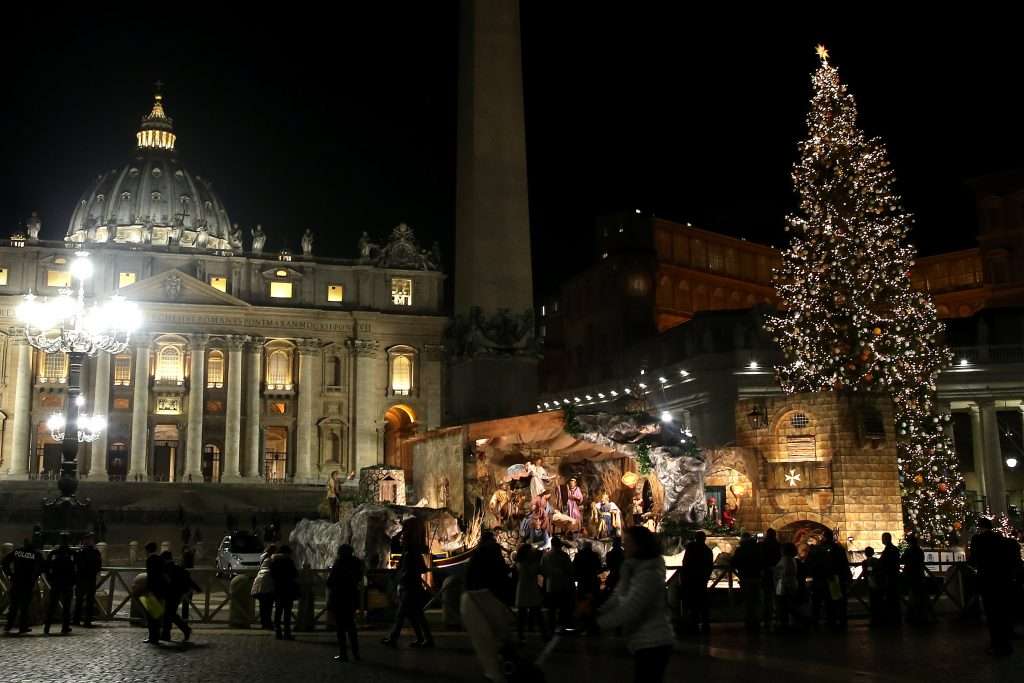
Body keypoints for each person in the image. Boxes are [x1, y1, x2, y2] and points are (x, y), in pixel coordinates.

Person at [593, 526, 675, 683]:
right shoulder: (631, 568)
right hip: (641, 641)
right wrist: (599, 611)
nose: (625, 546)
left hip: (655, 640)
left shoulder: (649, 573)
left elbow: (631, 608)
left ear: (640, 545)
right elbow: (618, 596)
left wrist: (598, 623)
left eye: (628, 542)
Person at [969, 517, 1020, 656]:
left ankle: (997, 644)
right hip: (1003, 581)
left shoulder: (978, 540)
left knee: (992, 614)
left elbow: (973, 560)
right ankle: (1006, 642)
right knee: (1003, 611)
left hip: (987, 581)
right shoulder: (1004, 540)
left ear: (980, 527)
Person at [382, 532, 434, 648]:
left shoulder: (409, 554)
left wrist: (404, 575)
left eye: (402, 539)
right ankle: (424, 639)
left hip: (409, 588)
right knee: (415, 615)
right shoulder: (411, 554)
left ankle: (393, 638)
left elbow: (413, 570)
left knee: (402, 615)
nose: (400, 540)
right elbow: (423, 569)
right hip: (411, 587)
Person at [327, 544, 364, 662]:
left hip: (339, 597)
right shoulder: (356, 563)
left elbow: (331, 581)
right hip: (351, 596)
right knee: (351, 626)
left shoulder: (339, 563)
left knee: (340, 628)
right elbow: (359, 577)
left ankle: (343, 653)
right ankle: (356, 653)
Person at [3, 538, 43, 635]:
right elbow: (42, 566)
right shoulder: (35, 554)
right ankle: (23, 627)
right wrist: (35, 576)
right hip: (28, 583)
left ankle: (9, 625)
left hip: (16, 581)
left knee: (14, 605)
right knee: (25, 606)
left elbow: (5, 562)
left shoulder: (17, 552)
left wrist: (10, 574)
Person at [160, 551, 197, 642]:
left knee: (170, 614)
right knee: (169, 614)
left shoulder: (167, 568)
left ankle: (184, 629)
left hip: (171, 594)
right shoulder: (177, 567)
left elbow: (167, 581)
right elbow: (187, 579)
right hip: (177, 594)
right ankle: (166, 634)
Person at [681, 531, 714, 634]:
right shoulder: (707, 551)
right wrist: (706, 577)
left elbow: (685, 563)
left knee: (693, 604)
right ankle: (705, 625)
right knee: (703, 604)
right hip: (702, 580)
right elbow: (710, 566)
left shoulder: (691, 549)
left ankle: (693, 625)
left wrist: (685, 577)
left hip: (692, 580)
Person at [44, 534, 77, 636]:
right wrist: (74, 581)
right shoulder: (72, 553)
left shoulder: (54, 553)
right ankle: (65, 627)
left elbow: (46, 568)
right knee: (66, 606)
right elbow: (77, 569)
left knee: (52, 605)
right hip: (67, 583)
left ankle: (47, 627)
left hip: (56, 583)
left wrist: (50, 579)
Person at [514, 544, 548, 641]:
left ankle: (522, 635)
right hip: (527, 589)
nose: (532, 551)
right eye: (531, 550)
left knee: (529, 613)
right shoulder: (523, 563)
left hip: (527, 590)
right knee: (529, 613)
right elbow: (533, 571)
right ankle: (522, 635)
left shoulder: (522, 562)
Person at [540, 536, 575, 633]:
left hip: (550, 585)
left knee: (551, 608)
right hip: (563, 585)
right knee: (563, 608)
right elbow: (570, 570)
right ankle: (562, 626)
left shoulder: (546, 556)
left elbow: (542, 570)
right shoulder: (564, 556)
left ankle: (551, 627)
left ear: (551, 544)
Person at [465, 531, 511, 602]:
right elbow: (500, 562)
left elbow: (471, 568)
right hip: (494, 579)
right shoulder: (494, 547)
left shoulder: (478, 550)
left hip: (481, 581)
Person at [731, 532, 761, 632]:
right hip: (757, 577)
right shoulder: (757, 549)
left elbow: (734, 562)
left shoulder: (741, 550)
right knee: (756, 600)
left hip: (745, 577)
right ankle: (756, 620)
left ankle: (749, 621)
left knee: (748, 600)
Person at [270, 545, 299, 640]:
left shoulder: (274, 560)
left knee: (278, 611)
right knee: (287, 612)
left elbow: (272, 574)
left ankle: (278, 632)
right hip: (288, 588)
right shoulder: (288, 561)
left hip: (278, 588)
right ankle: (287, 633)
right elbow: (295, 574)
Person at [901, 534, 932, 625]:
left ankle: (913, 615)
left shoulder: (908, 551)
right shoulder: (919, 551)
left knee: (913, 595)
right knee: (921, 596)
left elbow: (902, 559)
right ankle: (922, 615)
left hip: (911, 575)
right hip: (919, 574)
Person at [74, 533, 102, 628]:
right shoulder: (95, 552)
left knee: (81, 600)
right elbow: (98, 565)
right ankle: (87, 621)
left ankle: (77, 620)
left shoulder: (81, 551)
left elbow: (77, 564)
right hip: (89, 578)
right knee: (87, 600)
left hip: (82, 578)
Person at [143, 541, 168, 643]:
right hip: (160, 590)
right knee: (157, 614)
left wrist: (148, 590)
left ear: (148, 550)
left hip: (152, 590)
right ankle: (157, 636)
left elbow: (150, 576)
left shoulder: (150, 559)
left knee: (151, 615)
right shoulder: (161, 559)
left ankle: (152, 637)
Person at [773, 542, 801, 630]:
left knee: (783, 606)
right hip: (790, 584)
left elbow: (784, 573)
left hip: (784, 586)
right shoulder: (792, 559)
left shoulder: (786, 560)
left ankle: (784, 624)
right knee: (789, 605)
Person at [759, 528, 781, 629]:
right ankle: (776, 615)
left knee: (766, 596)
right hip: (775, 571)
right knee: (776, 594)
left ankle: (766, 617)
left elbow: (761, 557)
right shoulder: (778, 544)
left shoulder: (763, 545)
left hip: (766, 572)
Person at [251, 544, 277, 630]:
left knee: (262, 606)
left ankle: (264, 623)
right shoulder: (272, 560)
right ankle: (268, 624)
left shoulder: (262, 558)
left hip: (259, 582)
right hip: (268, 584)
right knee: (268, 606)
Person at [878, 532, 902, 625]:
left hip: (889, 576)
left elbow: (883, 562)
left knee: (891, 597)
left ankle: (892, 618)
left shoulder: (888, 550)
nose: (882, 540)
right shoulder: (894, 549)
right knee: (894, 597)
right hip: (894, 575)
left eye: (883, 538)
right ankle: (895, 617)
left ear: (886, 539)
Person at [573, 542, 602, 611]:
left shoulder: (578, 555)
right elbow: (599, 567)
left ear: (583, 547)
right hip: (592, 580)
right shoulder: (595, 555)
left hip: (582, 580)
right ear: (590, 547)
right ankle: (591, 613)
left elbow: (574, 567)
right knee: (592, 599)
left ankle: (582, 613)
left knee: (582, 599)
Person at [861, 546, 882, 626]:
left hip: (870, 582)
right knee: (877, 600)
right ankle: (878, 617)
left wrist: (869, 572)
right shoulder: (877, 561)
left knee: (872, 600)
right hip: (877, 582)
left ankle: (874, 617)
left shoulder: (866, 562)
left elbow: (869, 570)